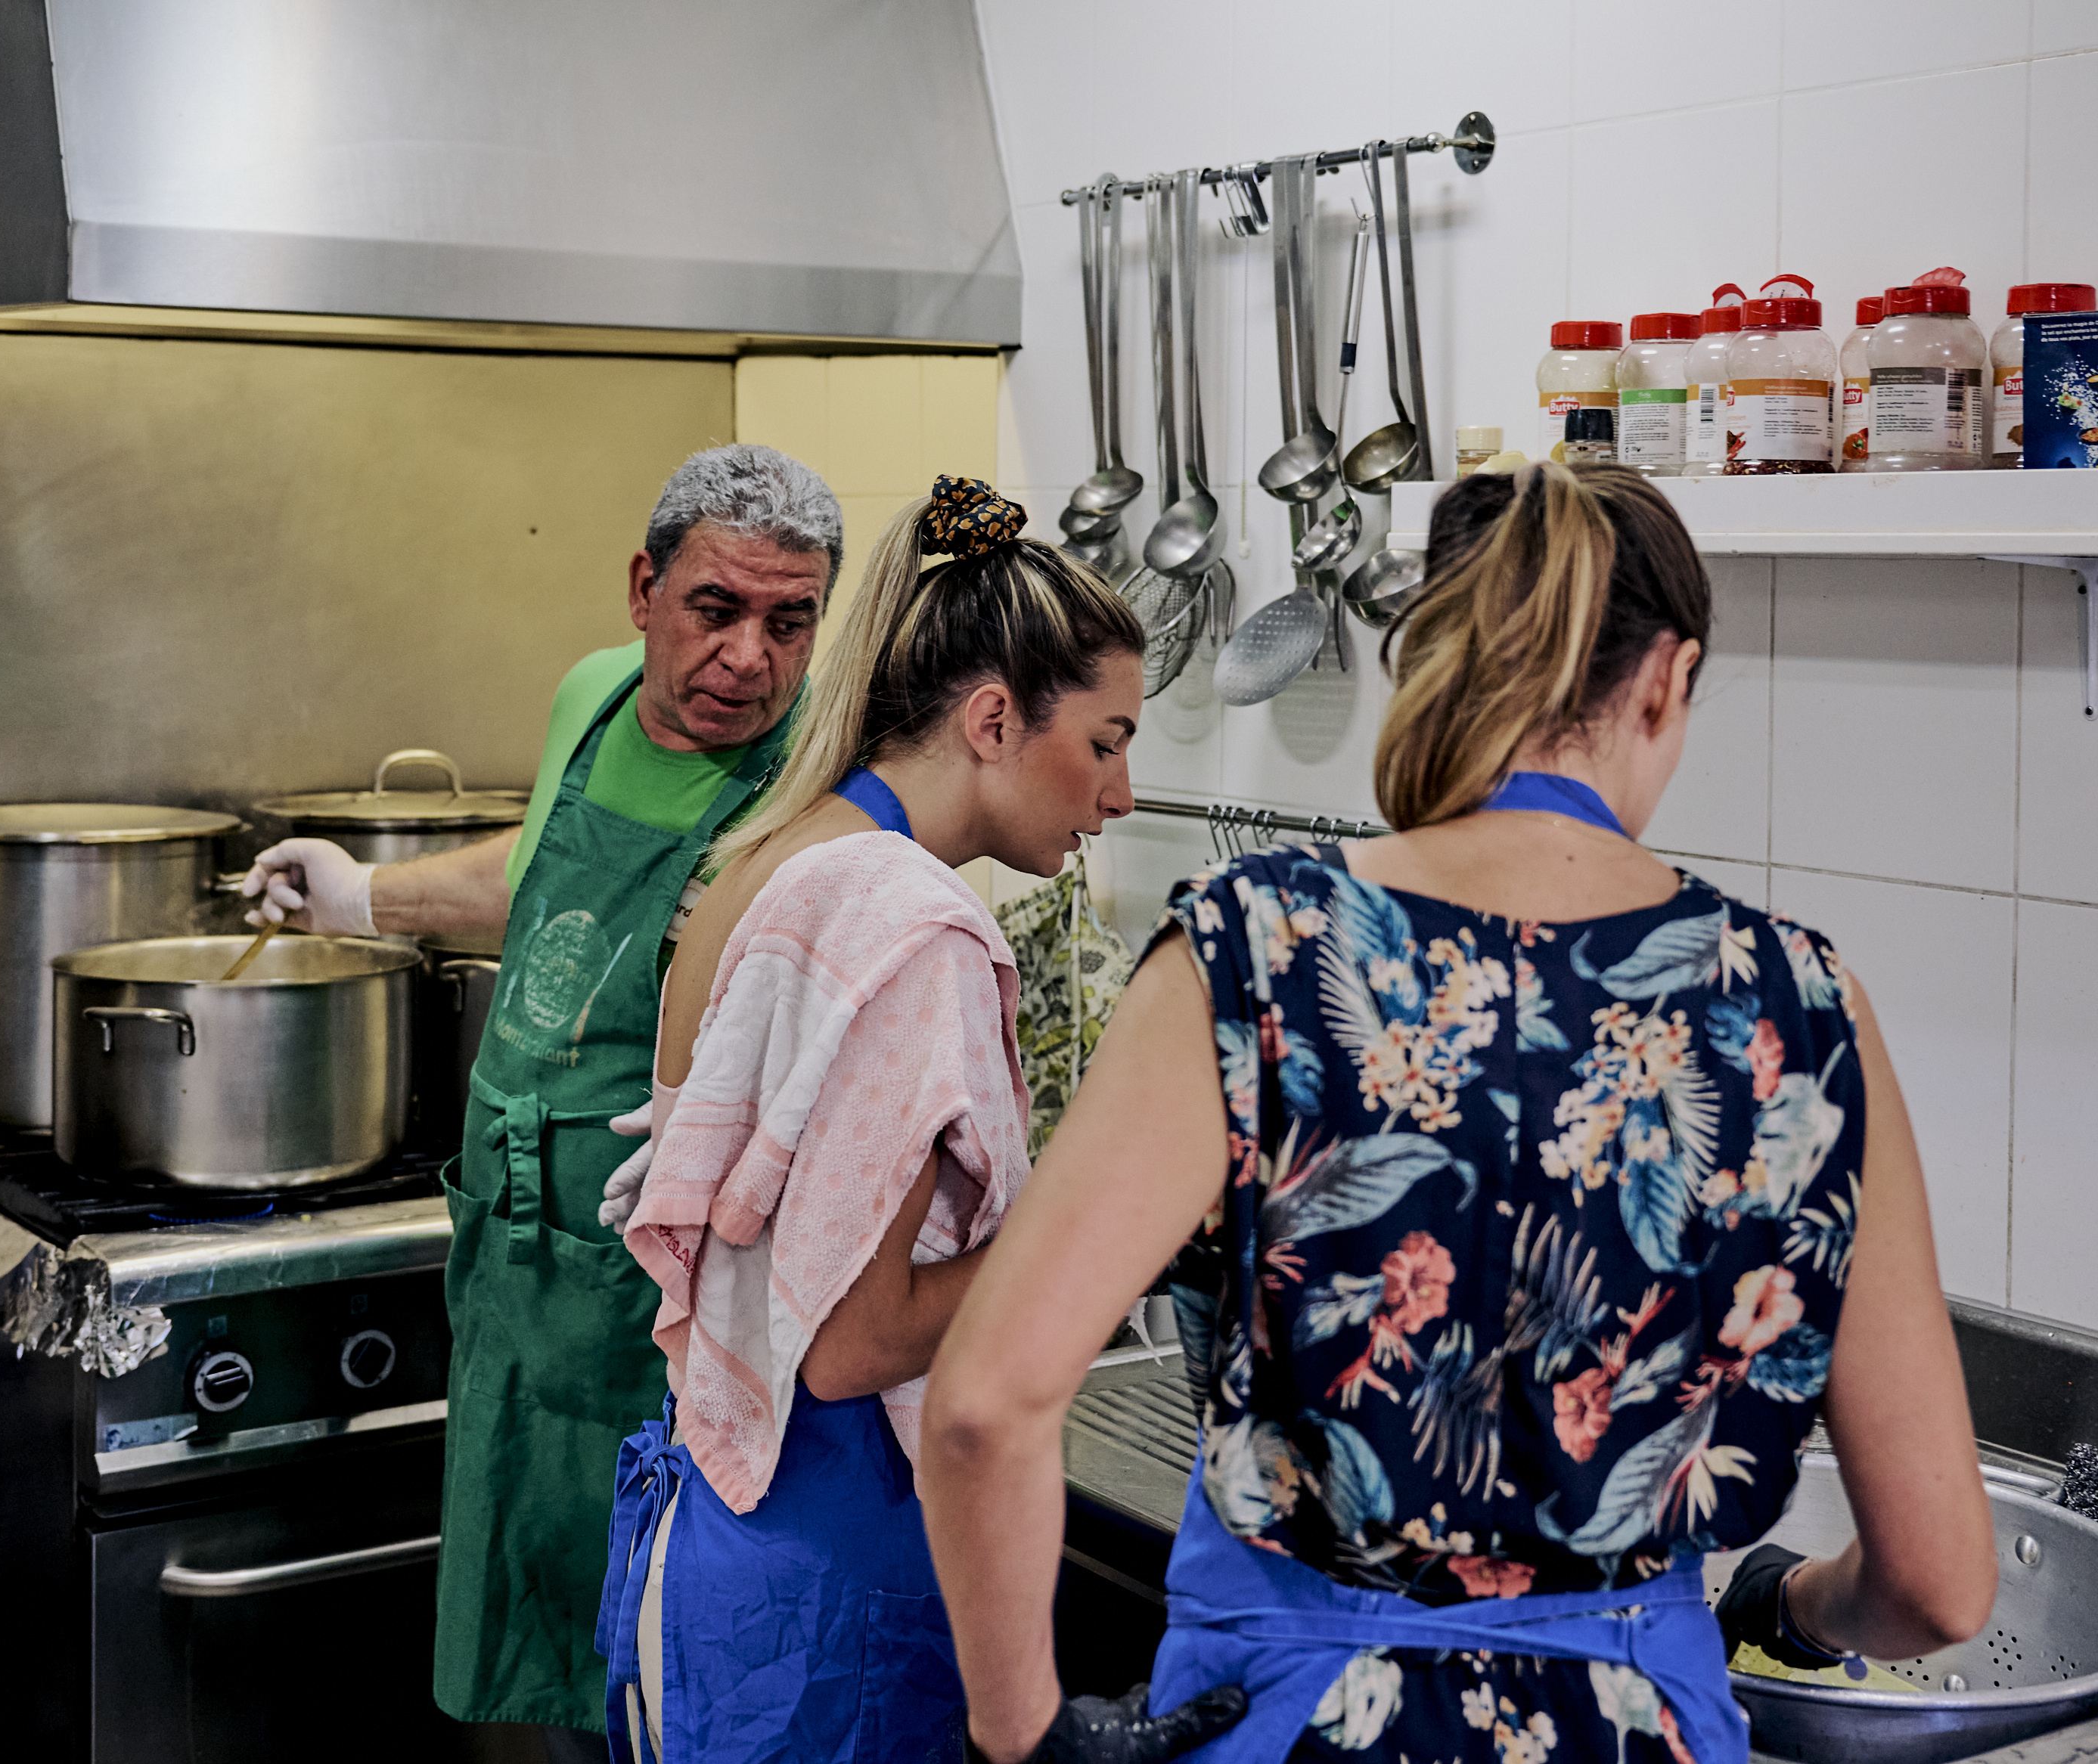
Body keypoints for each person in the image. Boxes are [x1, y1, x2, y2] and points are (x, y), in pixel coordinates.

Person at [920, 463, 2000, 1763]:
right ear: (1666, 683)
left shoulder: (1258, 950)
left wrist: (1023, 1736)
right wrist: (1791, 1602)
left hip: (1297, 1722)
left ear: (1431, 655)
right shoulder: (1804, 1007)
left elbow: (983, 1407)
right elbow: (1939, 1583)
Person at [591, 478, 1236, 1763]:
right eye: (1107, 741)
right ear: (992, 719)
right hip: (834, 1587)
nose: (1120, 793)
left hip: (721, 1551)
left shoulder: (788, 858)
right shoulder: (916, 931)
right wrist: (1122, 1236)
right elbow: (853, 1340)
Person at [237, 444, 842, 1750]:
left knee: (653, 1671)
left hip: (668, 1294)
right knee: (531, 1649)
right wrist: (363, 897)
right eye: (716, 608)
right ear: (642, 589)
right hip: (519, 1264)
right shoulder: (593, 694)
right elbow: (543, 876)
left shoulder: (818, 786)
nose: (748, 657)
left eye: (790, 622)